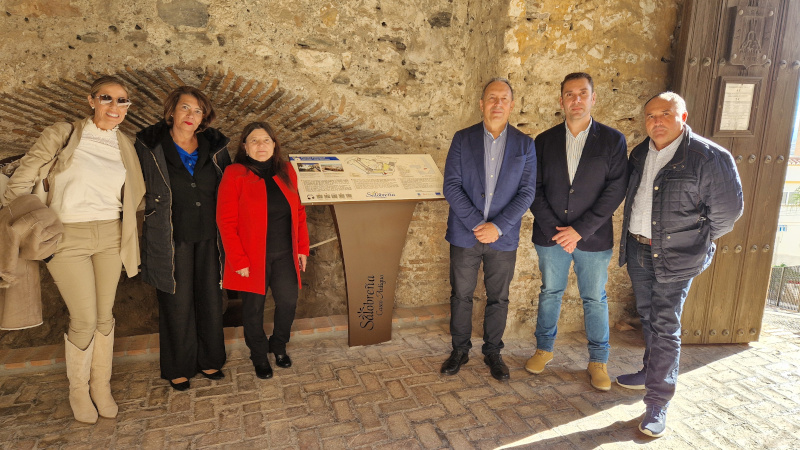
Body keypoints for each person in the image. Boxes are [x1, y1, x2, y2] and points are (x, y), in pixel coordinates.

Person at [1, 75, 145, 423]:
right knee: (84, 318)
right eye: (106, 98)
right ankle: (78, 390)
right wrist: (17, 214)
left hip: (110, 235)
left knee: (105, 316)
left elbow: (134, 193)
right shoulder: (63, 133)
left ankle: (101, 387)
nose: (114, 106)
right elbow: (25, 174)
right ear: (92, 101)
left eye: (122, 100)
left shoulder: (125, 144)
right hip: (67, 236)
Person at [617, 92, 743, 437]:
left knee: (665, 325)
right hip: (639, 248)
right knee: (648, 316)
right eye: (650, 116)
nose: (656, 121)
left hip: (677, 256)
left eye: (665, 114)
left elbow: (727, 214)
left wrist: (695, 241)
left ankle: (658, 401)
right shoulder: (641, 153)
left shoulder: (708, 157)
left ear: (683, 117)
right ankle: (649, 372)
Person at [524, 73, 628, 391]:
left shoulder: (612, 140)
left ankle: (598, 360)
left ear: (593, 98)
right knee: (550, 293)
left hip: (593, 237)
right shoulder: (544, 141)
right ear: (561, 101)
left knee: (594, 298)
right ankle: (544, 349)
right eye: (569, 94)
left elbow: (615, 190)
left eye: (583, 93)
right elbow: (533, 188)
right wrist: (558, 232)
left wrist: (578, 231)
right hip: (551, 236)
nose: (576, 99)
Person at [135, 86, 231, 391]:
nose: (191, 115)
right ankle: (178, 366)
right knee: (176, 301)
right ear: (172, 111)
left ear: (204, 117)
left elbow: (230, 187)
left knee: (210, 298)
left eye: (198, 110)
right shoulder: (149, 144)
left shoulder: (215, 146)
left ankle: (210, 359)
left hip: (210, 235)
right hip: (170, 235)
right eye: (185, 108)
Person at [441, 78, 536, 381]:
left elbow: (527, 192)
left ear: (512, 105)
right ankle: (459, 350)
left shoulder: (525, 144)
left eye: (504, 99)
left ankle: (493, 352)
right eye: (492, 98)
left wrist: (498, 226)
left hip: (502, 237)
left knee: (499, 297)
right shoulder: (462, 139)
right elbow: (451, 186)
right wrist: (476, 223)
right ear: (481, 104)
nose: (498, 104)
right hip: (465, 233)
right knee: (461, 295)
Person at [217, 122, 309, 380]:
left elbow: (299, 211)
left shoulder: (287, 170)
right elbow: (226, 221)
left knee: (288, 302)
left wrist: (302, 248)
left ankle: (278, 346)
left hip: (285, 254)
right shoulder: (235, 173)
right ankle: (258, 355)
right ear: (245, 147)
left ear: (274, 144)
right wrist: (238, 260)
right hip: (251, 257)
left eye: (266, 140)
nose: (261, 145)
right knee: (253, 310)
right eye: (254, 140)